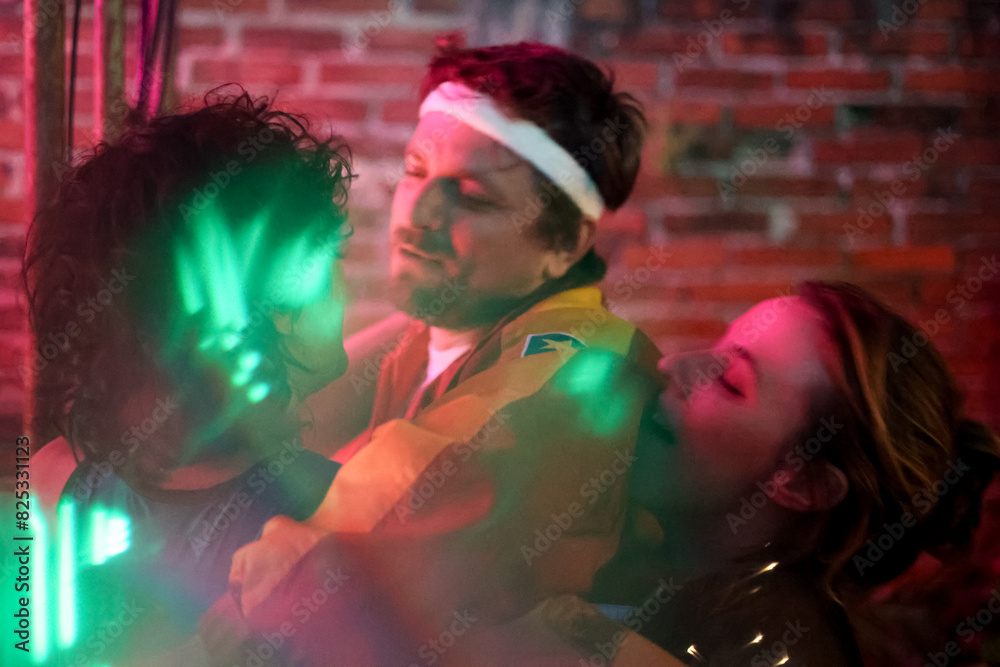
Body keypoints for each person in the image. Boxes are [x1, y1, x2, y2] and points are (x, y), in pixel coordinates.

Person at [198, 40, 662, 665]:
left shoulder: (580, 366)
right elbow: (270, 432)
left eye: (472, 197)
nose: (418, 214)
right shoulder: (434, 332)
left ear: (565, 244)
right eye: (415, 171)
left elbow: (347, 553)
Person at [21, 89, 355, 663]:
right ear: (271, 310)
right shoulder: (343, 524)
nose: (343, 290)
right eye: (328, 263)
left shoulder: (54, 479)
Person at [540, 280, 1000, 666]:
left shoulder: (760, 648)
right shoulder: (654, 577)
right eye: (716, 347)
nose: (671, 364)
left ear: (804, 481)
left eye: (729, 381)